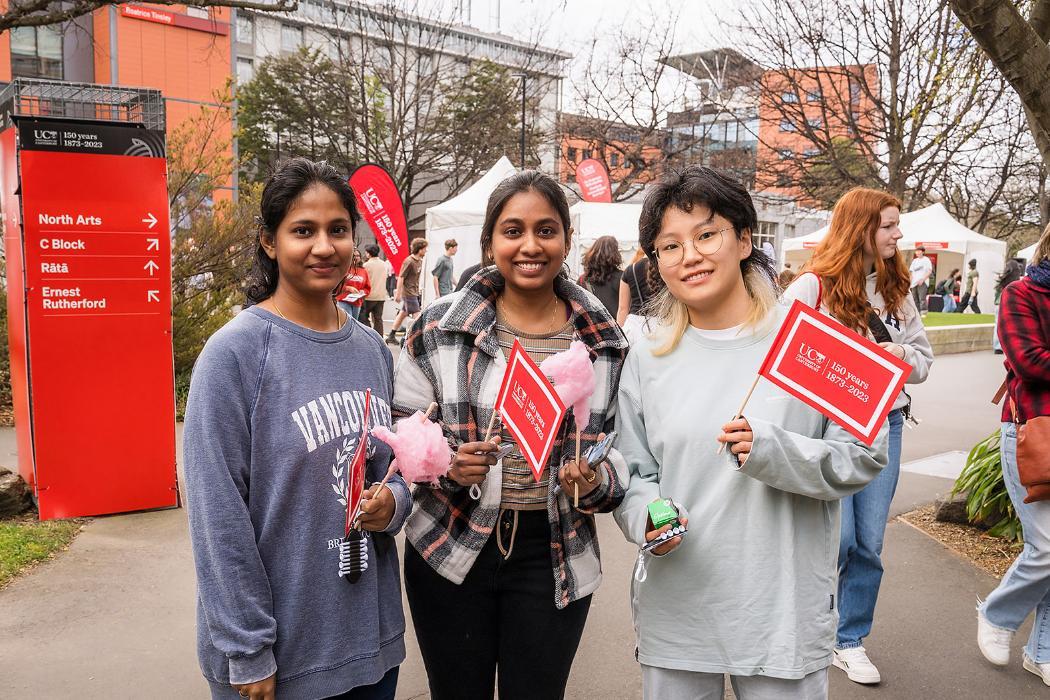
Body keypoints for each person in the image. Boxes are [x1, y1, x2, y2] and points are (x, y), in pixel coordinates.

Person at [614, 166, 887, 700]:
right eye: (669, 246)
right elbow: (634, 470)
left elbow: (863, 455)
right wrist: (645, 514)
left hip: (780, 614)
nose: (689, 256)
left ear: (743, 239)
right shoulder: (645, 352)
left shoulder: (810, 341)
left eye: (706, 235)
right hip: (679, 608)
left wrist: (771, 450)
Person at [393, 171, 628, 700]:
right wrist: (445, 466)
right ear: (490, 242)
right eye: (512, 230)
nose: (529, 245)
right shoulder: (436, 329)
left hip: (554, 552)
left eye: (546, 230)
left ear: (567, 240)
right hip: (450, 547)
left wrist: (592, 480)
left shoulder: (603, 341)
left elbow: (622, 459)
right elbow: (399, 434)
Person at [183, 158, 411, 700]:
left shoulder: (372, 350)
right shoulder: (235, 354)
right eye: (303, 231)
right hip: (278, 657)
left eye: (338, 230)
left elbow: (394, 469)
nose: (324, 246)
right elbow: (217, 514)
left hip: (368, 645)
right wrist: (248, 649)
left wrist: (392, 503)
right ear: (268, 241)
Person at [783, 187, 933, 685]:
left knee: (867, 543)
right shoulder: (811, 288)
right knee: (836, 540)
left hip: (884, 424)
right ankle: (807, 627)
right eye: (889, 225)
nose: (898, 234)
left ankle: (849, 639)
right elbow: (777, 354)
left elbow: (922, 362)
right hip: (825, 427)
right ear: (860, 228)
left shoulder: (897, 291)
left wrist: (890, 356)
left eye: (898, 225)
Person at [977, 224, 1050, 684]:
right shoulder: (1022, 293)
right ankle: (997, 614)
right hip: (1033, 430)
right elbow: (1028, 360)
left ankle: (1042, 651)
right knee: (1046, 547)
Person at [385, 238, 428, 344]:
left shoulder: (419, 261)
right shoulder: (409, 261)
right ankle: (415, 339)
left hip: (414, 292)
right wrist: (398, 294)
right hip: (409, 293)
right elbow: (401, 277)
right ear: (420, 249)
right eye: (425, 248)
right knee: (418, 316)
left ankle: (391, 335)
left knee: (403, 314)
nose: (426, 251)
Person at [580, 235, 624, 317]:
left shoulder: (582, 280)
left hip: (592, 327)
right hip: (616, 327)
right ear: (616, 253)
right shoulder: (623, 277)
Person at [617, 248, 656, 340]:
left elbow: (623, 308)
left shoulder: (630, 269)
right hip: (663, 324)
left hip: (634, 326)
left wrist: (619, 337)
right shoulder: (665, 267)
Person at [993, 257, 1025, 354]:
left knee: (997, 325)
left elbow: (996, 293)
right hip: (1010, 304)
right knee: (1011, 326)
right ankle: (1009, 346)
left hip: (999, 304)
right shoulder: (1017, 281)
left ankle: (997, 346)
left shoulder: (1002, 279)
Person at [361, 244, 389, 336]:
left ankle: (369, 335)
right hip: (381, 295)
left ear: (368, 254)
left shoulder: (366, 265)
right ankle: (379, 337)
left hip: (369, 296)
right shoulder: (384, 264)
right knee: (378, 319)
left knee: (364, 317)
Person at [337, 249, 370, 320]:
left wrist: (363, 292)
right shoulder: (344, 269)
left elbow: (367, 288)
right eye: (354, 256)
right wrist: (348, 288)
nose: (356, 257)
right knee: (348, 321)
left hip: (357, 302)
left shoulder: (363, 271)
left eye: (358, 256)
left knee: (355, 322)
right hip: (343, 300)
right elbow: (335, 285)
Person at [909, 245, 933, 313]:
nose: (917, 252)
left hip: (922, 282)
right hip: (914, 283)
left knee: (922, 298)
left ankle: (924, 312)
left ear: (923, 252)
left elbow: (929, 271)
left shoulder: (926, 260)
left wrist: (923, 279)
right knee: (914, 299)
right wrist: (910, 282)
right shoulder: (914, 261)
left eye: (919, 251)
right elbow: (911, 272)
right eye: (916, 251)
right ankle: (917, 312)